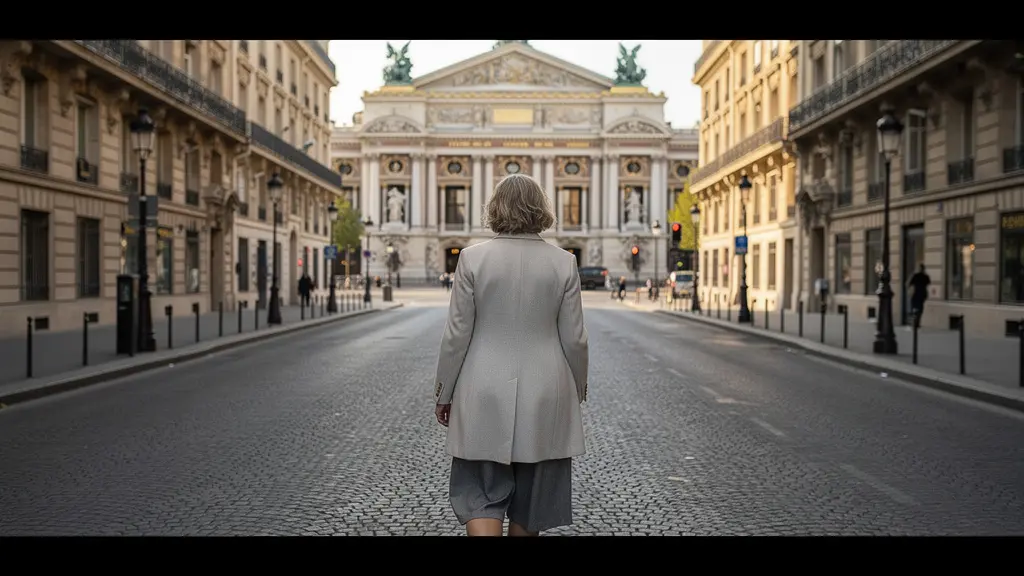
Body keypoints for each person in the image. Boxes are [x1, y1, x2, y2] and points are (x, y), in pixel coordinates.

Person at [433, 172, 589, 537]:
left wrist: (443, 392)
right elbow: (576, 340)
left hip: (482, 388)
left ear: (495, 208)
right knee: (532, 503)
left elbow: (456, 334)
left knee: (480, 493)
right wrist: (578, 389)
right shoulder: (563, 262)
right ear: (541, 209)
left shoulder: (472, 259)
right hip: (546, 390)